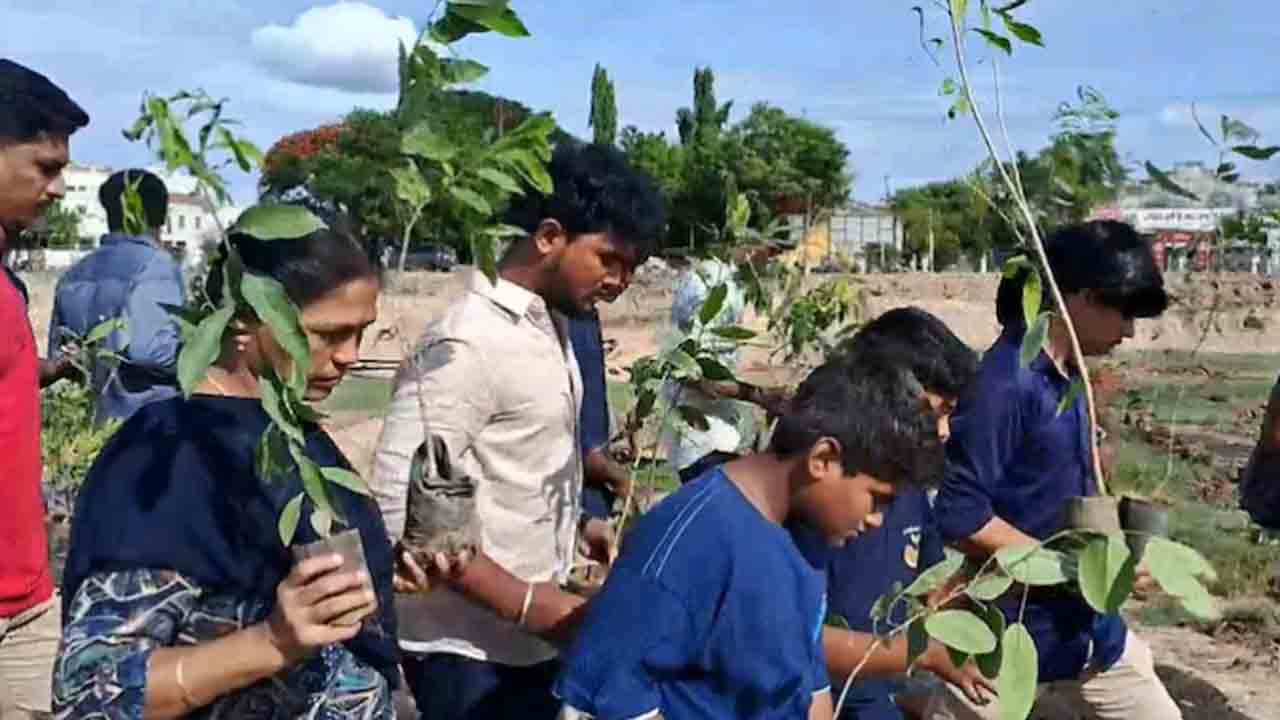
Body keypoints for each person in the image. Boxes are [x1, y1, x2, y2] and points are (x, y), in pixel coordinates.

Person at [53, 217, 401, 719]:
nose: (350, 356)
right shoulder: (172, 453)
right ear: (244, 320)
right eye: (329, 334)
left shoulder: (290, 434)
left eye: (361, 332)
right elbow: (92, 692)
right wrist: (271, 641)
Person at [370, 141, 666, 720]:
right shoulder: (468, 341)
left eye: (632, 266)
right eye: (608, 258)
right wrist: (531, 604)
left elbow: (513, 463)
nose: (621, 281)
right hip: (467, 654)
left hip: (529, 642)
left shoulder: (553, 329)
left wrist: (579, 525)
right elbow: (400, 510)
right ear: (550, 237)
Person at [555, 355, 949, 720]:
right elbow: (609, 694)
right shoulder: (693, 541)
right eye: (877, 500)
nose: (878, 521)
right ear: (823, 460)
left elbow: (805, 672)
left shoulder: (806, 537)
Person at [933, 220, 1179, 720]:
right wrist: (1076, 571)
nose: (1130, 332)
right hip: (1003, 641)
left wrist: (1114, 560)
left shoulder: (1071, 380)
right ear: (1080, 298)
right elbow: (962, 515)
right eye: (1124, 312)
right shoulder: (1006, 385)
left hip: (1089, 633)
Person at [792, 308, 991, 720]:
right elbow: (799, 641)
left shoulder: (911, 485)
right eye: (939, 411)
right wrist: (924, 657)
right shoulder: (822, 500)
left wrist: (978, 585)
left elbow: (926, 586)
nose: (944, 431)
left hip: (883, 689)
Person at [0, 58, 88, 719]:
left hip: (24, 600)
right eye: (46, 167)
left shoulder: (6, 279)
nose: (58, 188)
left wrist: (42, 371)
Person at [49, 168, 184, 423]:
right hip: (146, 425)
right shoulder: (156, 264)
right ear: (162, 215)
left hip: (90, 425)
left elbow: (62, 356)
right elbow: (151, 351)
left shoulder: (74, 273)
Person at [662, 244, 791, 483]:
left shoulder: (729, 283)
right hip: (703, 442)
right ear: (750, 245)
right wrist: (760, 396)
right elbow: (692, 371)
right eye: (771, 253)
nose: (772, 262)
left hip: (716, 435)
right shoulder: (712, 283)